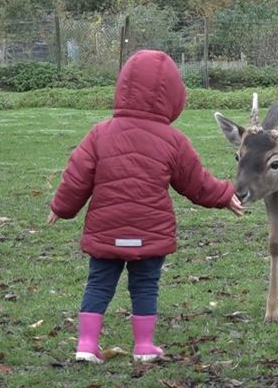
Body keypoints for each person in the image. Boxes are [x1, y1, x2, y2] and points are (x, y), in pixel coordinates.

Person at [48, 50, 244, 363]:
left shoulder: (99, 134)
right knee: (145, 286)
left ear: (123, 87)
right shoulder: (173, 140)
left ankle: (86, 345)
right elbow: (197, 183)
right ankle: (143, 346)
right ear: (173, 95)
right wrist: (224, 195)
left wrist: (61, 207)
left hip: (106, 231)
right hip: (149, 234)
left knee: (98, 283)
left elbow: (77, 177)